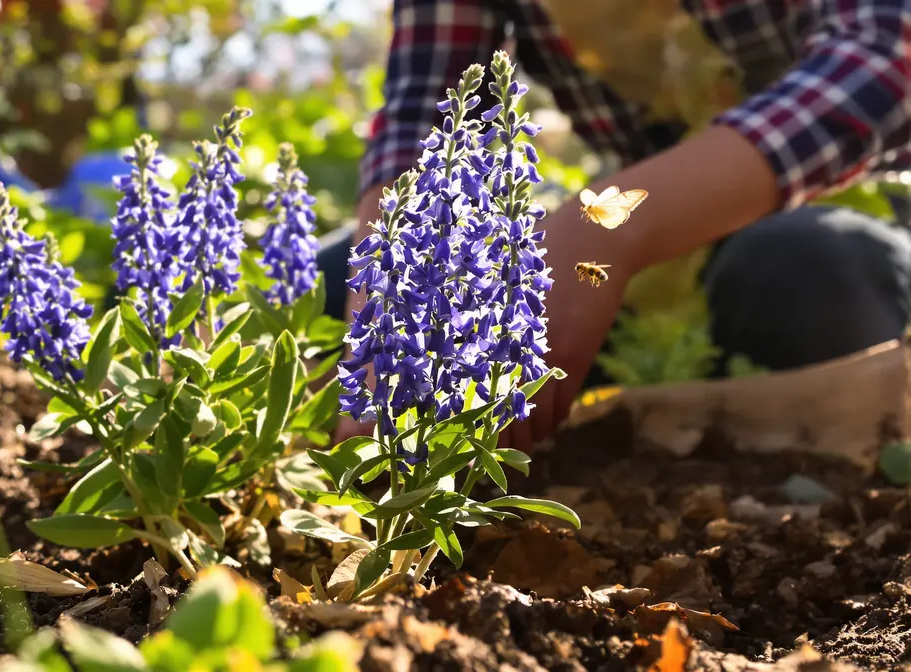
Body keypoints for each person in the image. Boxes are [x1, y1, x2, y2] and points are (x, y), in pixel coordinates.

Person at [326, 0, 911, 449]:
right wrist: (386, 314)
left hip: (828, 208)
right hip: (646, 260)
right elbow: (425, 123)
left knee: (807, 265)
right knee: (334, 284)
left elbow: (888, 54)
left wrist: (604, 229)